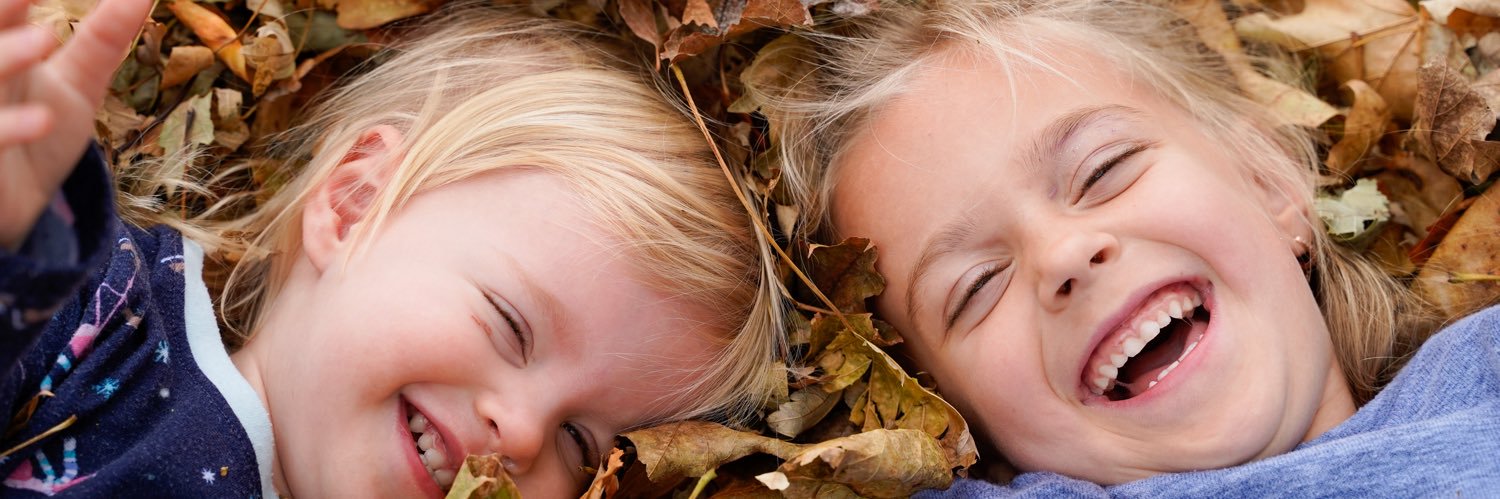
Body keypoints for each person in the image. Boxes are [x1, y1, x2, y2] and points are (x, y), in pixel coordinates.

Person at [0, 1, 785, 496]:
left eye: (581, 444)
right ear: (353, 203)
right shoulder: (107, 319)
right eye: (510, 325)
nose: (519, 433)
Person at [767, 0, 1500, 495]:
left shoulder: (1482, 376)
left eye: (1102, 169)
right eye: (977, 284)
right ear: (952, 423)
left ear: (1267, 179)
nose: (1062, 255)